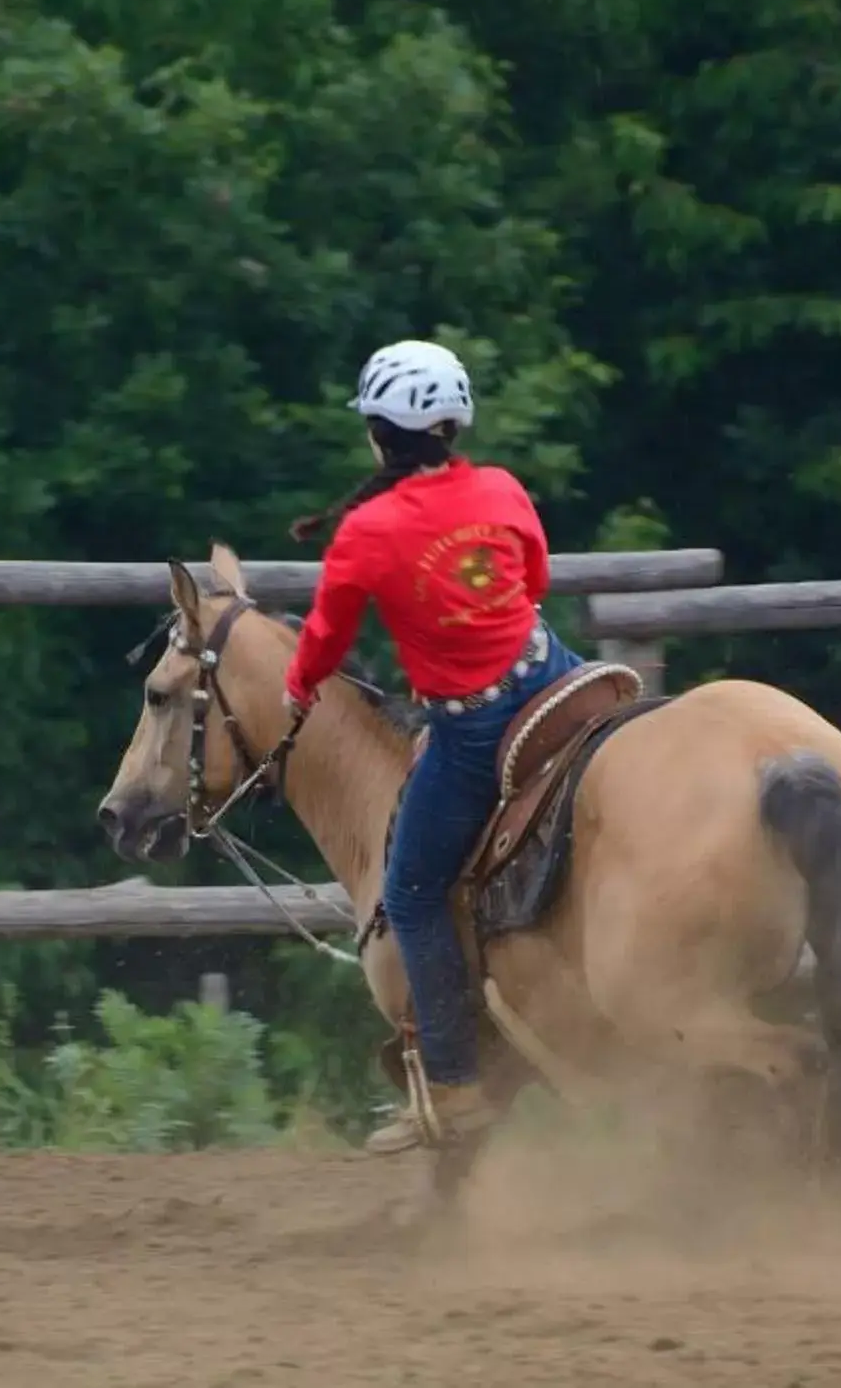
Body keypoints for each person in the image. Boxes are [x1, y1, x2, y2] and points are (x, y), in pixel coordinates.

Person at [281, 337, 587, 1155]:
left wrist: (298, 686)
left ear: (378, 433)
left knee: (411, 895)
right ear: (455, 427)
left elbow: (325, 636)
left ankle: (454, 1086)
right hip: (556, 676)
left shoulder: (368, 530)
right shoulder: (502, 487)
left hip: (475, 727)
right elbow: (536, 575)